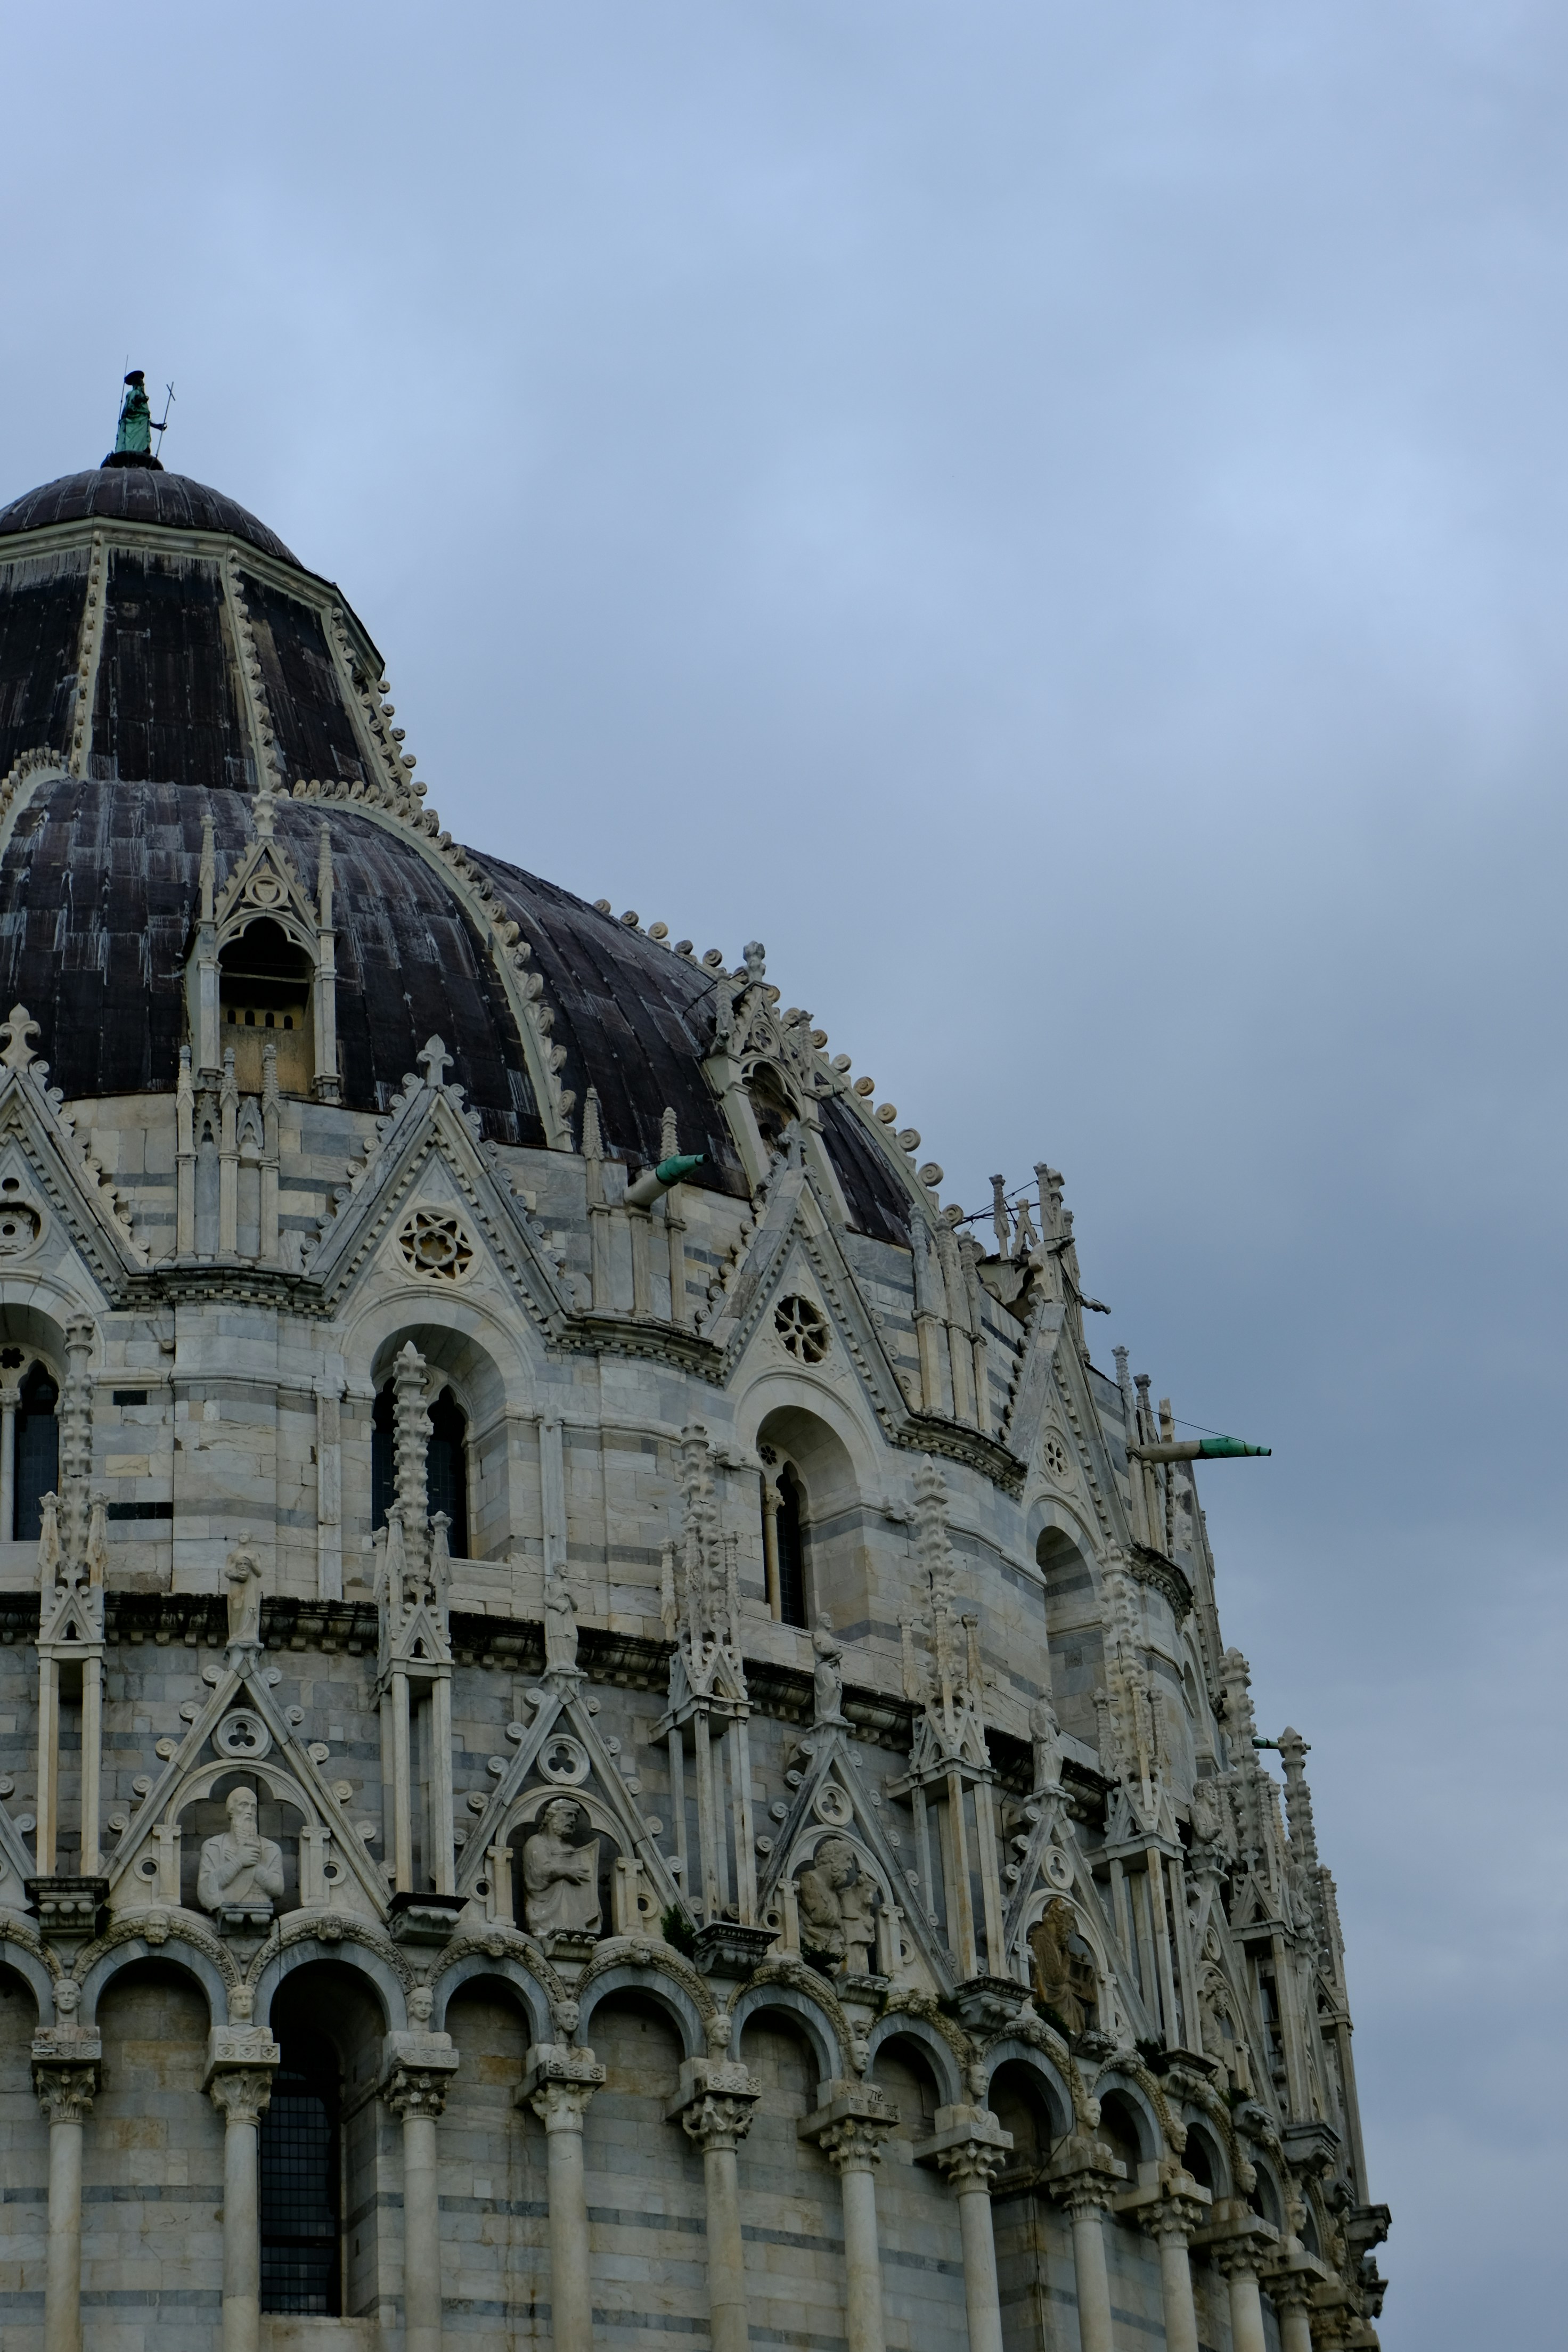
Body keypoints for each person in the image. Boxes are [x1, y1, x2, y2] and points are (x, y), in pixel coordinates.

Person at [197, 1785, 285, 1915]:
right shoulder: (213, 1846)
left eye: (253, 1806)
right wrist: (237, 1862)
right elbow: (205, 1890)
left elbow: (278, 1889)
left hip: (260, 1906)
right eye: (244, 1805)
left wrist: (254, 1867)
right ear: (231, 1810)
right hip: (226, 1906)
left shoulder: (272, 1848)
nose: (249, 1811)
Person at [521, 1796, 600, 1938]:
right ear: (552, 1816)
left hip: (571, 1909)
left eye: (575, 1817)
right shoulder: (537, 1842)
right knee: (563, 1879)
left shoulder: (571, 1849)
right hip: (544, 1909)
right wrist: (566, 1871)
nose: (573, 1820)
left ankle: (578, 1924)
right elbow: (540, 1872)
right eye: (568, 1815)